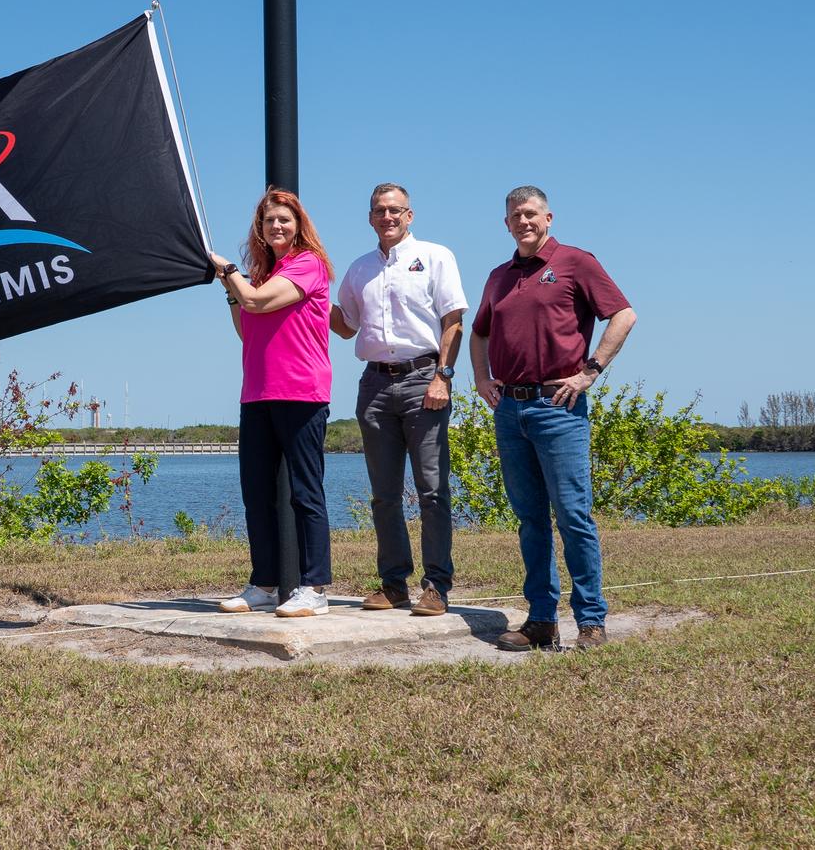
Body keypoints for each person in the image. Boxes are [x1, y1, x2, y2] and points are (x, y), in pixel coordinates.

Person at [470, 186, 637, 651]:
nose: (523, 222)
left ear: (548, 217)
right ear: (505, 224)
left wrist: (590, 373)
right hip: (510, 410)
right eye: (514, 216)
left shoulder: (576, 262)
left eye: (530, 214)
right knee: (530, 520)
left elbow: (623, 315)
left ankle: (591, 622)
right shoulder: (498, 277)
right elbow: (479, 333)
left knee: (573, 516)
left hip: (558, 408)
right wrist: (482, 379)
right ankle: (541, 620)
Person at [331, 182, 467, 616]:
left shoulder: (436, 256)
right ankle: (393, 584)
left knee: (431, 489)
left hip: (423, 378)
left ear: (410, 215)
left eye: (394, 210)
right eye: (378, 211)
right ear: (369, 217)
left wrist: (442, 376)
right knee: (383, 494)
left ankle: (436, 586)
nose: (386, 217)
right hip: (373, 385)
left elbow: (453, 321)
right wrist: (310, 289)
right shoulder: (358, 269)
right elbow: (346, 326)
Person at [210, 188, 335, 618]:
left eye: (284, 219)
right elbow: (247, 325)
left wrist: (227, 271)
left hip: (301, 391)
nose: (276, 226)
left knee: (305, 492)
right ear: (260, 230)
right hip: (258, 392)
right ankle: (263, 583)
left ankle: (315, 588)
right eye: (269, 221)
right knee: (257, 492)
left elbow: (256, 301)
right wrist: (233, 286)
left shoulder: (308, 264)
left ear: (299, 225)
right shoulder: (261, 274)